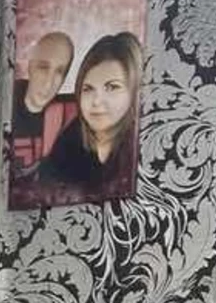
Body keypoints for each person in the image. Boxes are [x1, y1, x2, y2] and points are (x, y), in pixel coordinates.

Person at [23, 32, 142, 207]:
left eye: (112, 87)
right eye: (88, 89)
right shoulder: (73, 136)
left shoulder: (144, 144)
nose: (96, 101)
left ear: (134, 91)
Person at [8, 31, 78, 172]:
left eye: (59, 72)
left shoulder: (69, 115)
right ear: (30, 66)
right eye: (43, 67)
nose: (49, 82)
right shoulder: (2, 103)